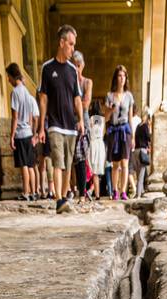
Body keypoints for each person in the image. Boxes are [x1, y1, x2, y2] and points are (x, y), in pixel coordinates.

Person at [38, 25, 84, 214]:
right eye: (71, 44)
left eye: (74, 45)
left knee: (67, 165)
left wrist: (80, 120)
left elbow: (77, 98)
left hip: (70, 126)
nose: (73, 49)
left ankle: (63, 198)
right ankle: (58, 199)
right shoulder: (47, 69)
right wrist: (41, 127)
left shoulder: (73, 70)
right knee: (58, 161)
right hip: (55, 125)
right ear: (62, 42)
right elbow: (43, 99)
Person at [6, 63, 37, 201]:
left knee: (23, 164)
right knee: (30, 164)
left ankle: (25, 192)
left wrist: (12, 136)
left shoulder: (15, 93)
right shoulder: (27, 92)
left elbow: (14, 117)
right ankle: (33, 192)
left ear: (13, 76)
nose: (8, 80)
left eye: (8, 77)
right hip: (28, 132)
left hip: (20, 133)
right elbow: (31, 115)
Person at [104, 65, 135, 201]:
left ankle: (123, 191)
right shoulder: (109, 96)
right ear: (116, 78)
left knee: (125, 163)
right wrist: (110, 109)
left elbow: (130, 118)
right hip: (114, 131)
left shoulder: (129, 96)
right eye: (119, 76)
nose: (122, 79)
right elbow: (105, 117)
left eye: (124, 76)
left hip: (125, 131)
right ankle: (115, 191)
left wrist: (133, 136)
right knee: (115, 164)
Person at [72, 50, 93, 207]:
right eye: (74, 65)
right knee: (71, 160)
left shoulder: (87, 82)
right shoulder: (69, 81)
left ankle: (83, 192)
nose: (76, 68)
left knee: (81, 158)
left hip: (83, 122)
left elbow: (85, 104)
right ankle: (72, 190)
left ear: (83, 65)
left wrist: (74, 105)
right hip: (69, 121)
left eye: (78, 65)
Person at [88, 99, 106, 199]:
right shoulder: (102, 119)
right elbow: (102, 132)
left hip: (92, 143)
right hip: (100, 144)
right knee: (97, 172)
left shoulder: (90, 119)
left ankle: (92, 191)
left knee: (94, 171)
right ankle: (95, 193)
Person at [132, 108, 151, 198]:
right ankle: (138, 194)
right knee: (141, 175)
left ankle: (140, 192)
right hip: (142, 151)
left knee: (138, 174)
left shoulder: (138, 126)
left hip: (135, 151)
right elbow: (148, 138)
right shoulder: (145, 126)